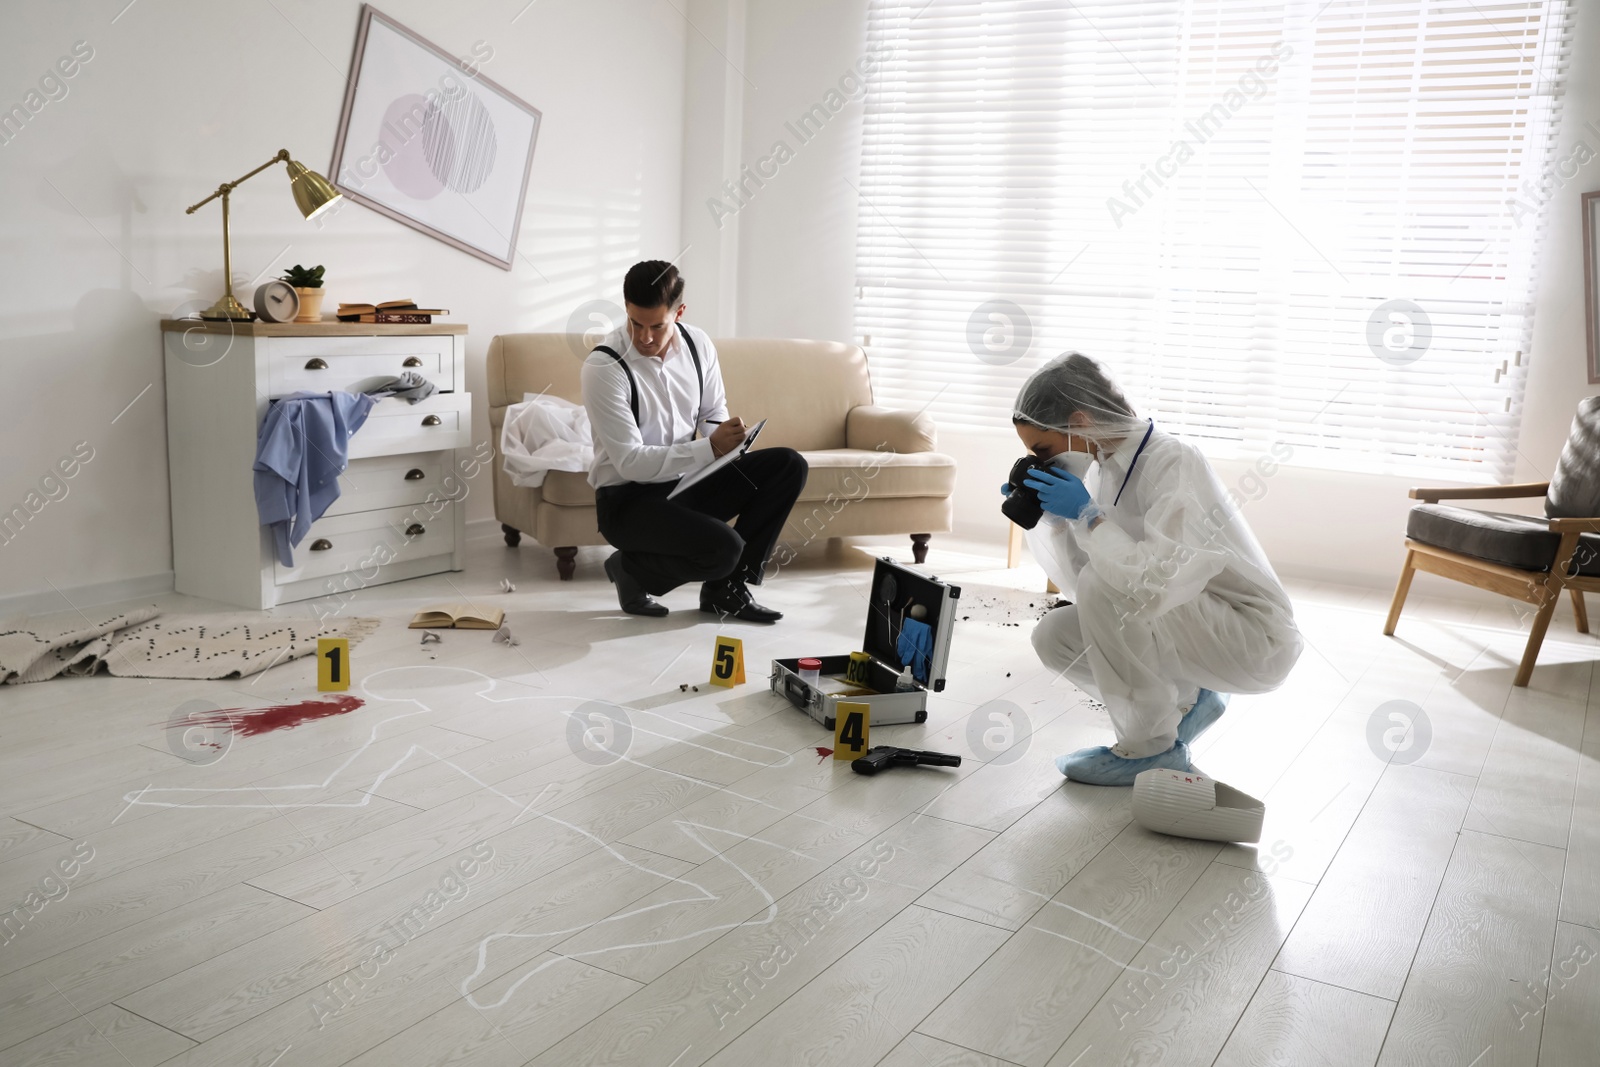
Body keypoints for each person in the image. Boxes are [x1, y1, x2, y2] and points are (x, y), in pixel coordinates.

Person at [1006, 353, 1303, 785]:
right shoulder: (1105, 466)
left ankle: (1150, 750)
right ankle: (1189, 701)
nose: (1043, 463)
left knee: (1106, 585)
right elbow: (1086, 588)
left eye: (1044, 451)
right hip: (1193, 624)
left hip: (1252, 638)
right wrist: (1058, 518)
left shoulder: (1172, 461)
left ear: (1080, 421)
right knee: (1054, 636)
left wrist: (1088, 516)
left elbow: (1153, 585)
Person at [583, 260, 807, 622]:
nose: (645, 337)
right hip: (627, 501)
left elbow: (711, 411)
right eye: (635, 323)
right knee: (724, 550)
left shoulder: (697, 342)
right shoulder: (604, 367)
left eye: (657, 325)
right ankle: (631, 569)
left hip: (687, 483)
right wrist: (710, 447)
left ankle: (726, 591)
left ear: (679, 312)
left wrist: (729, 438)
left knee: (787, 465)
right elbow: (630, 462)